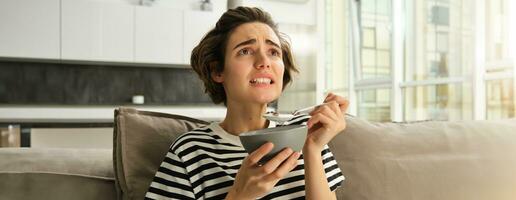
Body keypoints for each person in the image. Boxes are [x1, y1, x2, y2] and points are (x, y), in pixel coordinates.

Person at [145, 6, 349, 200]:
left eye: (273, 52)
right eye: (245, 51)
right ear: (218, 71)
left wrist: (312, 149)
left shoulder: (308, 133)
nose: (264, 61)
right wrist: (239, 194)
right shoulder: (189, 151)